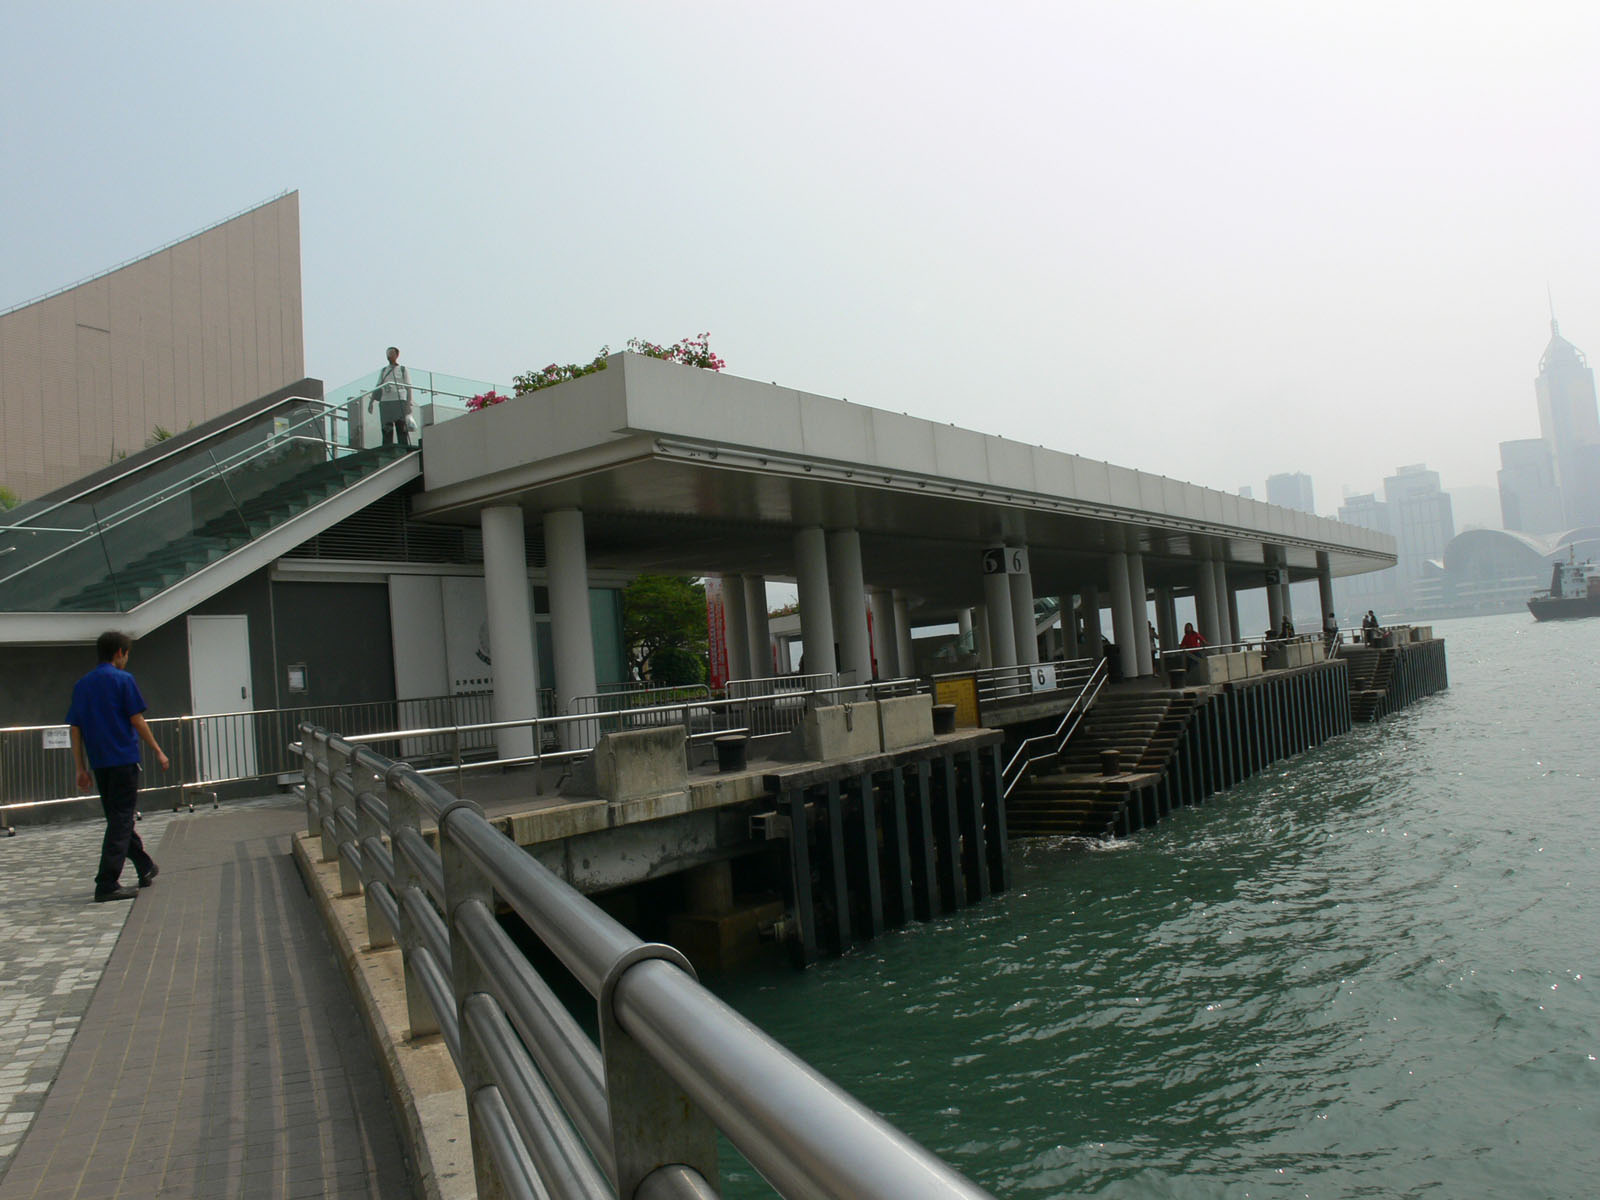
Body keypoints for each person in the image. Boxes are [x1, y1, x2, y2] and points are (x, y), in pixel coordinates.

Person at [67, 632, 168, 902]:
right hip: (123, 759)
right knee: (122, 820)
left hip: (99, 763)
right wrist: (158, 751)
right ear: (120, 653)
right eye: (127, 654)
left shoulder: (82, 685)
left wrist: (80, 767)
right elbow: (137, 720)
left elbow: (75, 729)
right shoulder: (124, 680)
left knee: (117, 819)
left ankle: (145, 866)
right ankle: (107, 882)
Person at [367, 346, 414, 447]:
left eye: (391, 353)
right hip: (385, 401)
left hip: (399, 400)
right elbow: (378, 386)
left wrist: (409, 403)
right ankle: (387, 447)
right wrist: (371, 402)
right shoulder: (384, 370)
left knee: (401, 426)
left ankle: (403, 447)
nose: (389, 355)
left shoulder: (402, 369)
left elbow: (408, 387)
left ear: (397, 355)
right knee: (386, 427)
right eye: (388, 353)